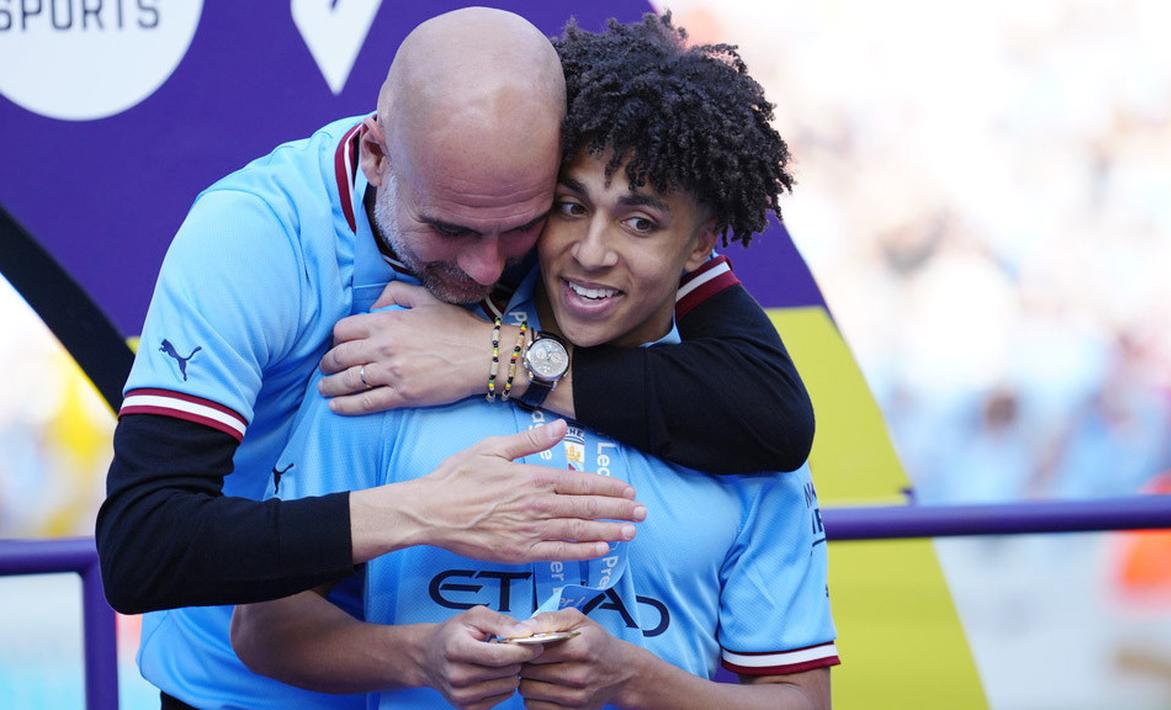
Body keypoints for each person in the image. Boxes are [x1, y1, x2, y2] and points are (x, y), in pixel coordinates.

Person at [95, 7, 813, 709]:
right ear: (376, 155)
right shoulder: (251, 236)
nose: (481, 266)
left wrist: (501, 357)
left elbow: (771, 416)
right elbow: (144, 544)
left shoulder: (587, 222)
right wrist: (424, 513)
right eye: (448, 228)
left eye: (520, 225)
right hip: (246, 684)